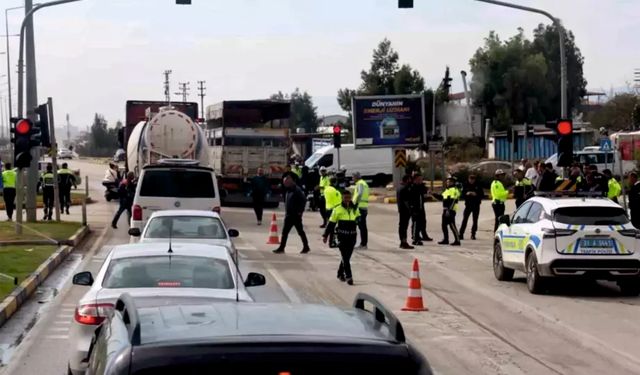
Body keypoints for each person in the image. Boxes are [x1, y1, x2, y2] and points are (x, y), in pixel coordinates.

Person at [323, 189, 359, 285]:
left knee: (347, 257)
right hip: (342, 237)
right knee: (345, 257)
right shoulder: (337, 209)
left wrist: (359, 221)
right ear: (342, 198)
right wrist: (325, 235)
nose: (347, 199)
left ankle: (340, 273)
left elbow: (359, 219)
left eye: (349, 197)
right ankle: (349, 276)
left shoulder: (355, 209)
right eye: (345, 198)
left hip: (352, 237)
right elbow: (331, 224)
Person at [273, 175, 310, 254]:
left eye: (285, 182)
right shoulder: (288, 190)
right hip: (289, 215)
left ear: (290, 181)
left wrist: (300, 212)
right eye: (284, 183)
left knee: (300, 232)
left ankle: (306, 247)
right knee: (285, 232)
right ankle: (282, 248)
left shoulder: (297, 190)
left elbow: (303, 201)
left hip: (295, 215)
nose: (284, 184)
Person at [436, 176, 461, 246]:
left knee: (452, 225)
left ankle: (457, 240)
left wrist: (449, 210)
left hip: (451, 210)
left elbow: (453, 201)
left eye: (449, 182)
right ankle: (445, 239)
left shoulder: (454, 190)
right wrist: (432, 194)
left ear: (453, 182)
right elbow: (441, 198)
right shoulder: (447, 190)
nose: (448, 183)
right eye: (447, 182)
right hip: (445, 210)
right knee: (444, 225)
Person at [410, 173, 432, 246]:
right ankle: (415, 237)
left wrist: (428, 191)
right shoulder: (412, 187)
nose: (420, 181)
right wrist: (412, 208)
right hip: (415, 208)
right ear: (415, 180)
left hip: (421, 207)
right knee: (416, 223)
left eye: (421, 179)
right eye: (419, 179)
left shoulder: (421, 186)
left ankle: (424, 235)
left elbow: (426, 190)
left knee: (423, 222)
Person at [459, 174, 483, 241]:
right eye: (470, 179)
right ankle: (461, 234)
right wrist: (467, 193)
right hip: (468, 205)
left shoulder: (478, 185)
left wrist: (476, 194)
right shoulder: (465, 185)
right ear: (468, 179)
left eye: (473, 179)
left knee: (475, 220)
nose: (471, 181)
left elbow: (482, 195)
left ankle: (473, 234)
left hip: (476, 205)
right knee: (465, 220)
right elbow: (462, 194)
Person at [352, 172, 370, 249]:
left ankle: (363, 244)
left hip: (359, 208)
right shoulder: (365, 183)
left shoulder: (360, 183)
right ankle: (363, 244)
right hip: (364, 207)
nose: (352, 179)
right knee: (363, 227)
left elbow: (359, 193)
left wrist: (355, 203)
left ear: (356, 177)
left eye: (353, 177)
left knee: (361, 227)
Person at [397, 174, 414, 249]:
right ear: (407, 180)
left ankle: (402, 242)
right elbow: (406, 201)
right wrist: (410, 210)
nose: (411, 181)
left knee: (402, 226)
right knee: (404, 227)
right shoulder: (404, 188)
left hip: (401, 210)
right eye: (410, 179)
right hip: (405, 211)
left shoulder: (399, 187)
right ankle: (404, 242)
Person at [323, 177, 342, 248]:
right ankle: (332, 242)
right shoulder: (335, 191)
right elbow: (339, 202)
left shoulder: (326, 189)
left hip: (327, 208)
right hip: (334, 210)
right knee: (333, 228)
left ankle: (330, 241)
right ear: (335, 182)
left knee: (330, 226)